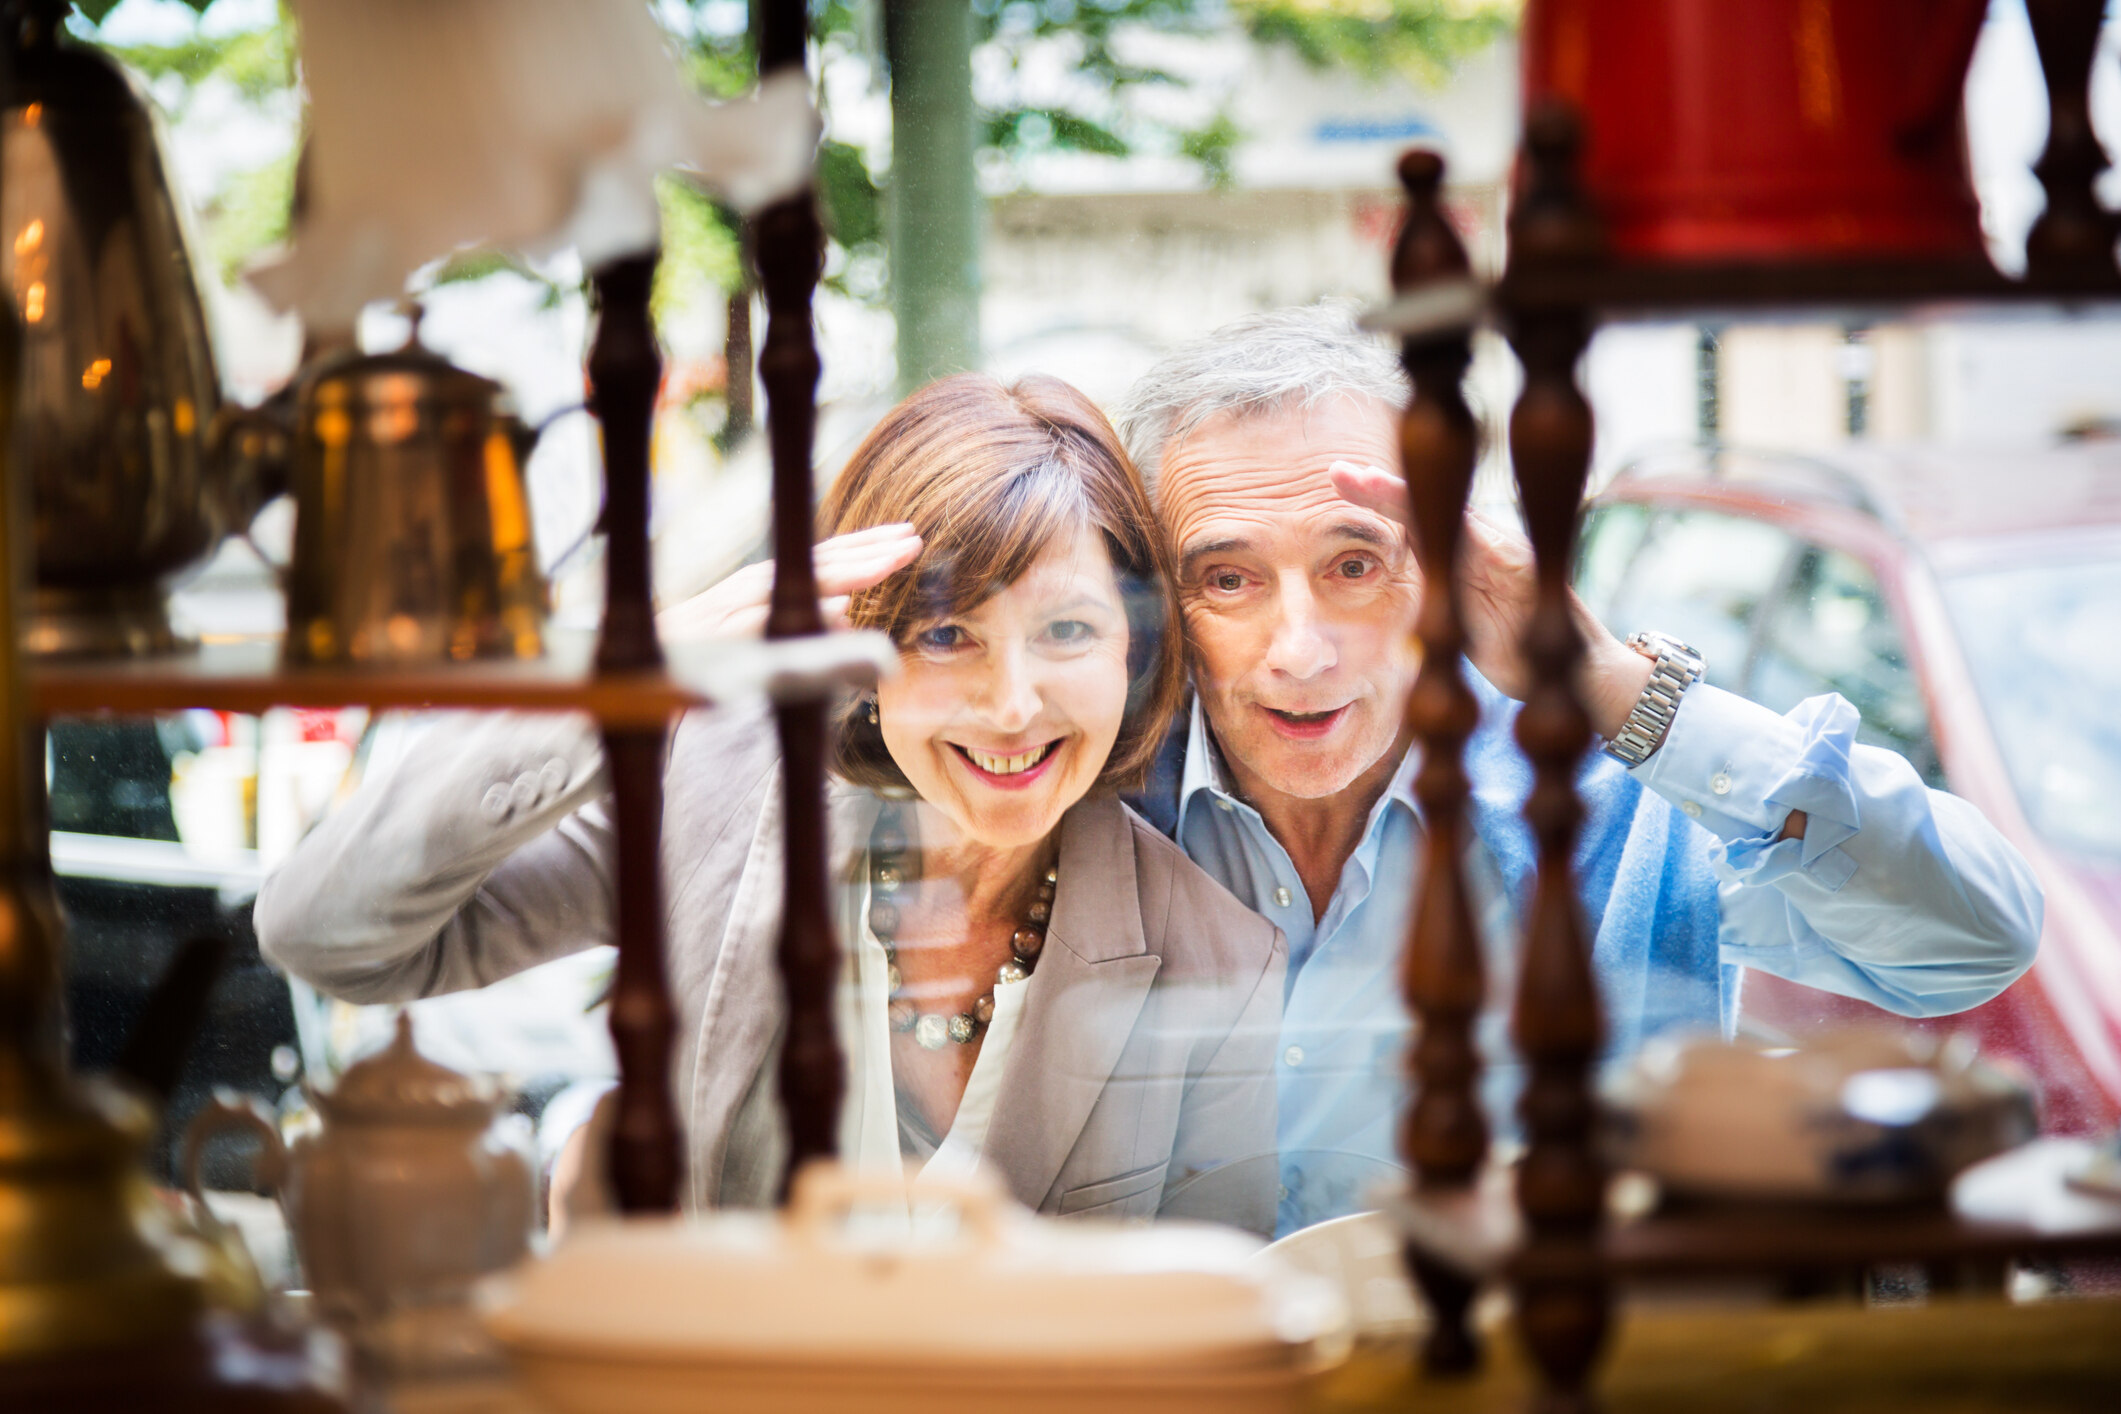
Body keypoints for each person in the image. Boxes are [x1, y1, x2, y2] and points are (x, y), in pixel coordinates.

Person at [256, 374, 1285, 1234]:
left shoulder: (1219, 958)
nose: (1012, 705)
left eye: (1066, 632)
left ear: (1132, 651)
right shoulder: (711, 795)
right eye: (945, 635)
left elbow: (1209, 1341)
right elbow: (327, 935)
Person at [1112, 304, 2044, 1235]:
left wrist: (1610, 683)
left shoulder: (1607, 794)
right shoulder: (1093, 805)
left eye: (1355, 564)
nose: (1300, 652)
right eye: (1227, 580)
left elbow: (1974, 941)